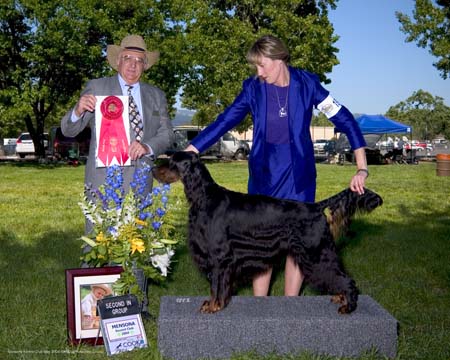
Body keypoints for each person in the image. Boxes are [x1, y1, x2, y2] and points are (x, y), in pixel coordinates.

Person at [185, 35, 368, 297]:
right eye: (255, 67)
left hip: (299, 176)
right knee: (262, 241)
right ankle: (262, 306)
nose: (259, 73)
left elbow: (346, 120)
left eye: (263, 65)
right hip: (264, 176)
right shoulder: (253, 88)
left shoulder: (308, 84)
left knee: (300, 241)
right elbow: (223, 122)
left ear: (279, 58)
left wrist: (361, 168)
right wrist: (190, 151)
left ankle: (289, 305)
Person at [61, 34, 173, 214]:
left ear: (145, 66)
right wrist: (78, 111)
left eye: (139, 60)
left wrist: (147, 147)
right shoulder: (97, 87)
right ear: (118, 61)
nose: (133, 64)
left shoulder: (156, 95)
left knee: (138, 239)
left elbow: (167, 134)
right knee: (100, 240)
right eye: (127, 58)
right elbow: (69, 130)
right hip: (103, 182)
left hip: (141, 182)